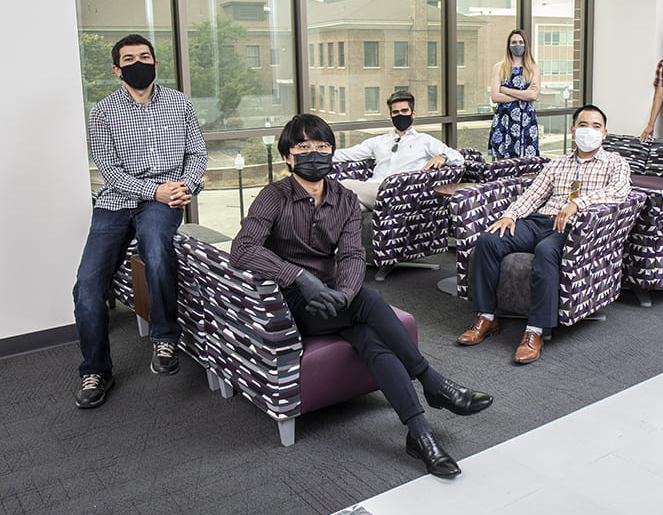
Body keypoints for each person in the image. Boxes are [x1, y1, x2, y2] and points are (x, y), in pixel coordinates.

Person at [230, 114, 493, 478]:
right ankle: (432, 381)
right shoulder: (273, 196)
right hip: (289, 302)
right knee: (370, 302)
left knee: (372, 338)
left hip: (334, 301)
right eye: (304, 147)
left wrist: (345, 292)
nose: (314, 154)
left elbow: (353, 255)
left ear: (332, 152)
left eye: (322, 147)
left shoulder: (344, 198)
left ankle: (420, 434)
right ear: (289, 157)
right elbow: (242, 249)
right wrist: (300, 277)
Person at [73, 34, 207, 409]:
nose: (137, 63)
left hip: (164, 200)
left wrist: (185, 187)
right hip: (117, 202)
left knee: (156, 249)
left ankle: (165, 337)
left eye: (144, 57)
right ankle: (95, 370)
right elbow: (110, 172)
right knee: (86, 287)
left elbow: (196, 153)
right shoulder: (102, 112)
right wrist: (156, 191)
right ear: (117, 69)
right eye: (128, 59)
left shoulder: (180, 104)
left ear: (156, 63)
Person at [460, 105, 631, 364]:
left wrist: (578, 204)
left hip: (575, 226)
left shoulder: (615, 163)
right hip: (540, 221)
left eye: (596, 126)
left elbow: (620, 191)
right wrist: (511, 215)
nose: (589, 131)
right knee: (488, 240)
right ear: (573, 130)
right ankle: (486, 317)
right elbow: (534, 194)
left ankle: (535, 331)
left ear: (604, 133)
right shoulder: (558, 163)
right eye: (583, 125)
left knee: (546, 251)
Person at [333, 91, 464, 210]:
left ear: (413, 113)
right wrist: (318, 153)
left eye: (404, 111)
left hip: (398, 196)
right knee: (343, 209)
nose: (400, 115)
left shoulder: (425, 141)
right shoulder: (378, 141)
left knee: (343, 185)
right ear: (390, 116)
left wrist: (442, 157)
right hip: (373, 191)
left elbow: (458, 157)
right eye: (395, 112)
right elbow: (348, 154)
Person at [488, 29, 542, 158]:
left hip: (526, 120)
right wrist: (524, 93)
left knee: (527, 165)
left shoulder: (534, 68)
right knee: (502, 166)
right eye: (514, 42)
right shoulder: (499, 67)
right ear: (509, 45)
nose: (517, 45)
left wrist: (505, 90)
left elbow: (533, 96)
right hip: (504, 120)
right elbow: (495, 97)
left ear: (526, 45)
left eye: (520, 42)